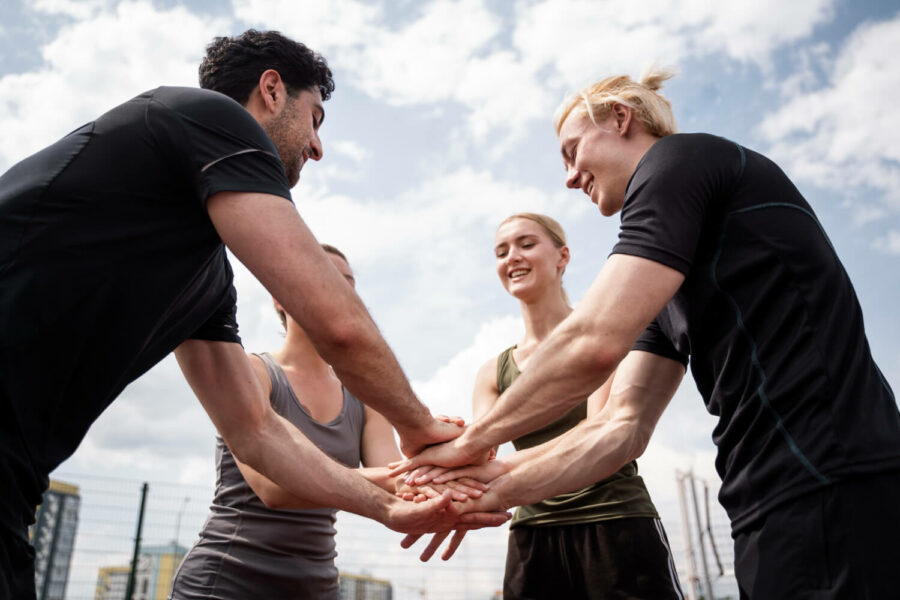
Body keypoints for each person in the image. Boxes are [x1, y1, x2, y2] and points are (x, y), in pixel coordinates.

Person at [0, 29, 505, 600]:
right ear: (271, 90)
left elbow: (258, 434)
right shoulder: (202, 115)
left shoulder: (208, 281)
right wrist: (421, 426)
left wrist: (387, 502)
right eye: (314, 118)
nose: (317, 146)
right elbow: (338, 327)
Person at [393, 69, 900, 598]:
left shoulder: (681, 161)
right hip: (762, 496)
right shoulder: (664, 286)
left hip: (834, 474)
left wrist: (473, 444)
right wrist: (483, 493)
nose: (568, 177)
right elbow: (619, 429)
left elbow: (594, 341)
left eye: (572, 151)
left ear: (620, 117)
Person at [171, 245, 486, 599]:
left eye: (348, 283)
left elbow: (395, 480)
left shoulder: (365, 396)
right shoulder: (253, 373)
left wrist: (447, 458)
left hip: (316, 585)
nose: (338, 290)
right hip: (225, 582)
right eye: (323, 276)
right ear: (278, 297)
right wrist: (422, 469)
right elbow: (274, 488)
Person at [456, 213, 685, 598]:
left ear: (563, 257)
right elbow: (480, 454)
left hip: (614, 520)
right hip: (532, 533)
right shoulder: (492, 372)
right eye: (501, 251)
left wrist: (486, 467)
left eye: (526, 244)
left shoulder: (604, 338)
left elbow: (597, 431)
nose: (512, 256)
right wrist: (446, 440)